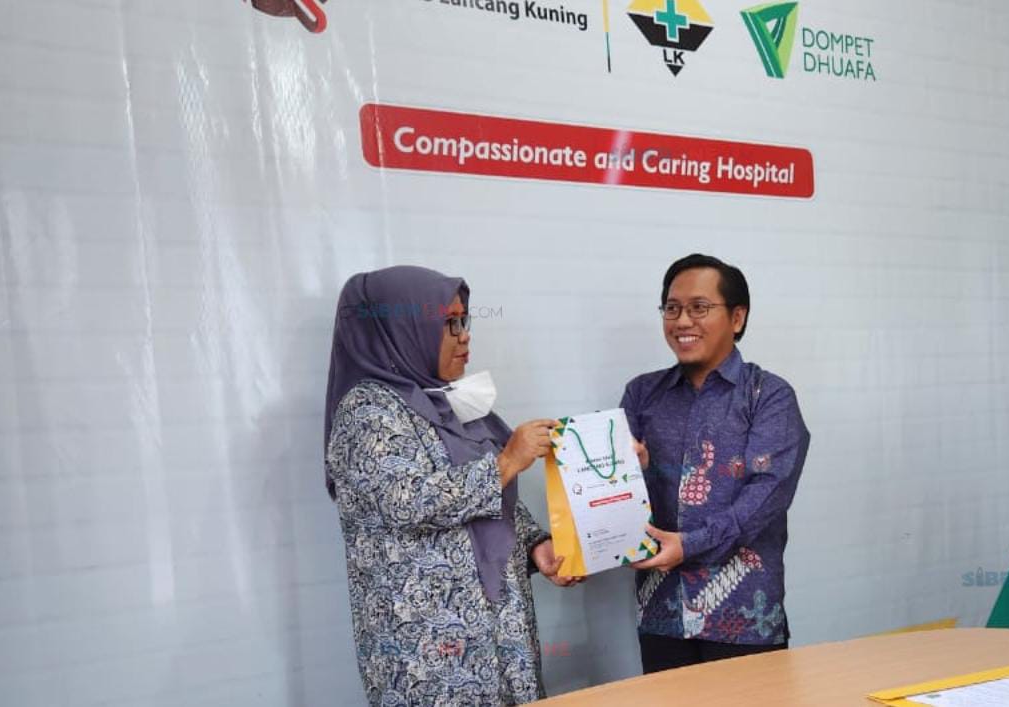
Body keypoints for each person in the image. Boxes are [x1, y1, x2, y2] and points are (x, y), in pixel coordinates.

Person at [323, 265, 576, 706]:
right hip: (428, 656)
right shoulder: (367, 412)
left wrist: (536, 546)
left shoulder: (450, 401)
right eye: (449, 324)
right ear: (399, 332)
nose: (464, 336)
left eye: (464, 320)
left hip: (499, 639)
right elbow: (407, 501)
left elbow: (492, 503)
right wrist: (506, 461)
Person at [620, 253, 811, 673]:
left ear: (737, 317)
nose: (682, 321)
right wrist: (634, 474)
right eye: (672, 308)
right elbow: (621, 499)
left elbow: (766, 497)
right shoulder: (641, 394)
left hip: (743, 620)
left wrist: (689, 545)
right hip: (662, 614)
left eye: (699, 307)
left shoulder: (768, 395)